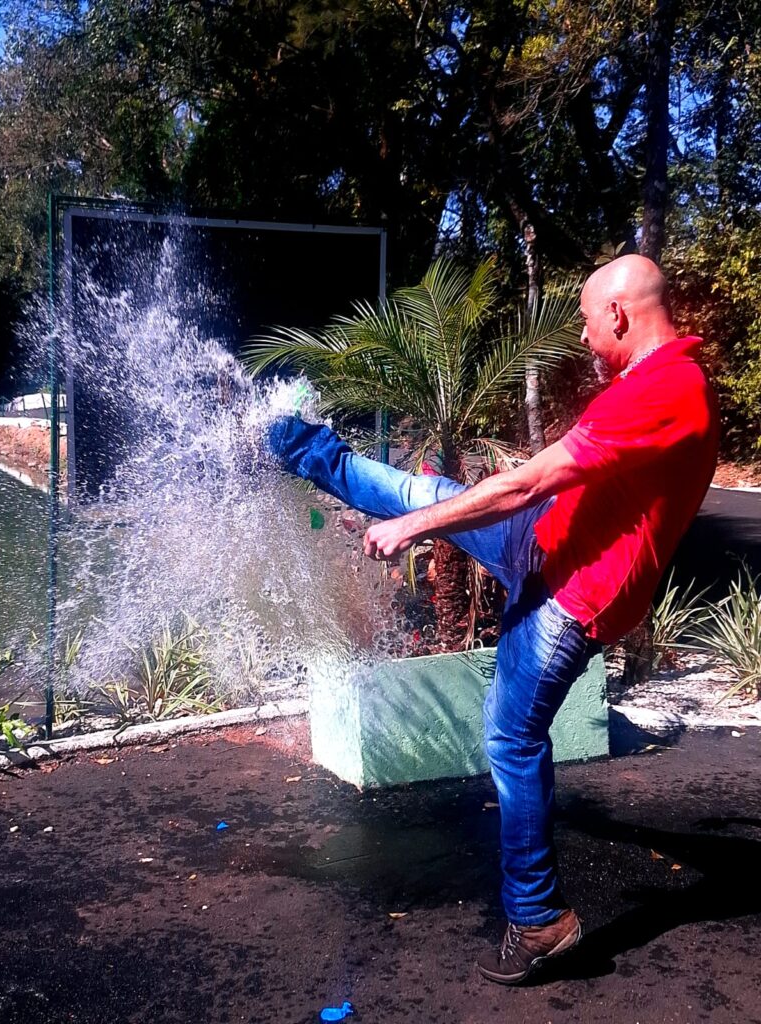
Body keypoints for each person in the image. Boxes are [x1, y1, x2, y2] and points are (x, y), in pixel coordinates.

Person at [266, 254, 720, 984]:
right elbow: (548, 491)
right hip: (544, 538)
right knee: (417, 490)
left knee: (511, 736)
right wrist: (425, 514)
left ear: (618, 314)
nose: (581, 335)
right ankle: (292, 442)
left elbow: (527, 481)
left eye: (585, 321)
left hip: (571, 598)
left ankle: (540, 921)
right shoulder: (652, 378)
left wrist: (416, 530)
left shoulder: (671, 390)